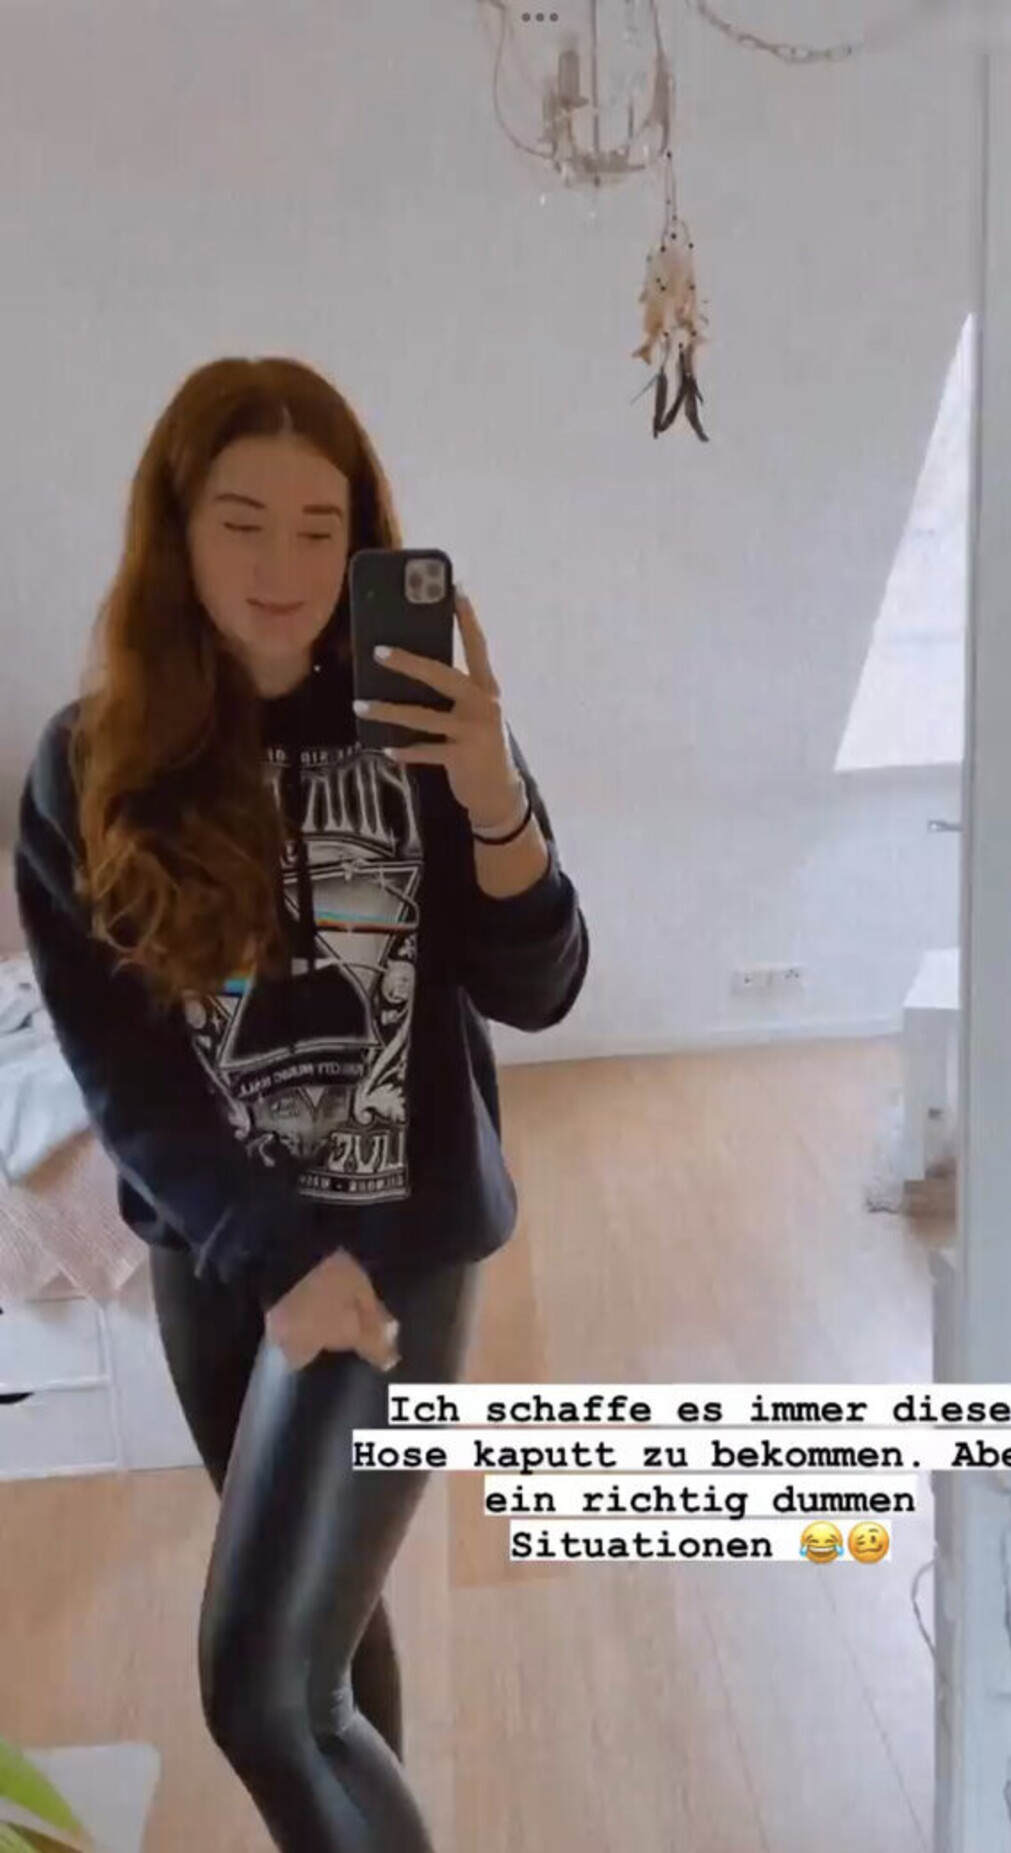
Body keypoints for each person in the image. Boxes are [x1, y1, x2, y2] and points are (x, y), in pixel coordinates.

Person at [13, 355, 590, 1852]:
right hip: (223, 1259)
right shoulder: (90, 764)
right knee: (322, 1644)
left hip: (400, 1252)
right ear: (176, 530)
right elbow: (123, 1069)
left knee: (260, 1694)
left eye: (322, 528)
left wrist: (493, 792)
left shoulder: (425, 724)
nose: (284, 566)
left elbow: (541, 988)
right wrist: (272, 1254)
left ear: (364, 540)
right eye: (243, 521)